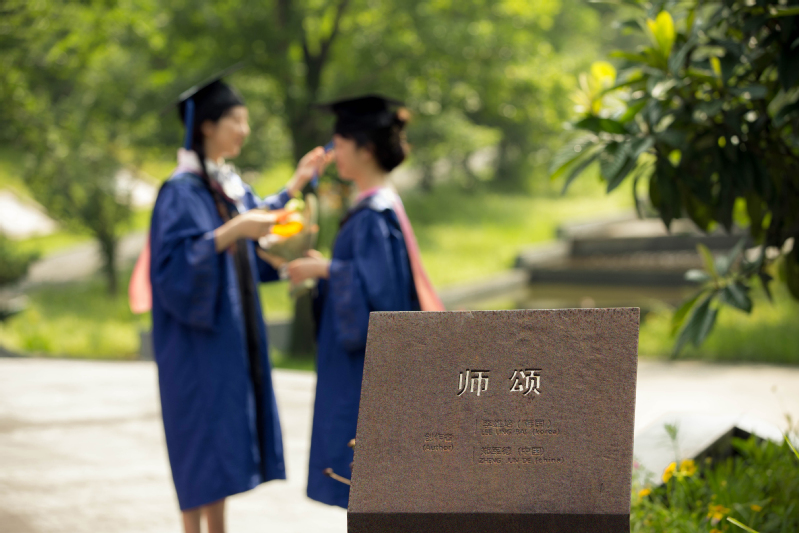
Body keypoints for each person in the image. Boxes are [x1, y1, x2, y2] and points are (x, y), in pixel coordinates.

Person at [128, 71, 329, 533]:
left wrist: (295, 185)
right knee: (198, 443)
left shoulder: (222, 184)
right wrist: (233, 232)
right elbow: (173, 268)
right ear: (207, 126)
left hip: (222, 337)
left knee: (220, 443)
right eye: (236, 120)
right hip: (193, 340)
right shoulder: (181, 192)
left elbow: (258, 222)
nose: (245, 130)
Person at [285, 94, 445, 508]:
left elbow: (383, 298)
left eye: (339, 143)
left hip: (363, 369)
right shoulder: (377, 207)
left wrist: (327, 270)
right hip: (359, 362)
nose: (333, 152)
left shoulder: (374, 215)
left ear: (365, 148)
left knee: (367, 481)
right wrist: (330, 269)